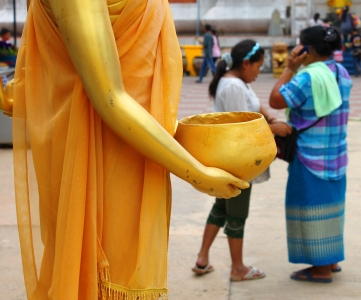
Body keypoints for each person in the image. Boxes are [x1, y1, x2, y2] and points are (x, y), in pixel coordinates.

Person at [0, 0, 249, 299]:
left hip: (139, 150)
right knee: (99, 276)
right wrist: (196, 172)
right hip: (95, 159)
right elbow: (110, 97)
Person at [192, 39, 292, 281]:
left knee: (221, 207)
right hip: (238, 162)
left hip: (230, 158)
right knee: (237, 214)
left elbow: (255, 106)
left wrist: (270, 118)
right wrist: (274, 130)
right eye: (258, 68)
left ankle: (202, 258)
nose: (259, 73)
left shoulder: (236, 82)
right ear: (246, 64)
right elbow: (242, 130)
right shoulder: (234, 87)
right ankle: (238, 268)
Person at [269, 26, 352, 283]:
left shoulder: (306, 78)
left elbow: (275, 100)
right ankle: (331, 259)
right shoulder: (342, 72)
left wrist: (290, 68)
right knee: (332, 209)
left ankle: (321, 269)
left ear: (307, 49)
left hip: (310, 157)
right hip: (336, 155)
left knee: (310, 210)